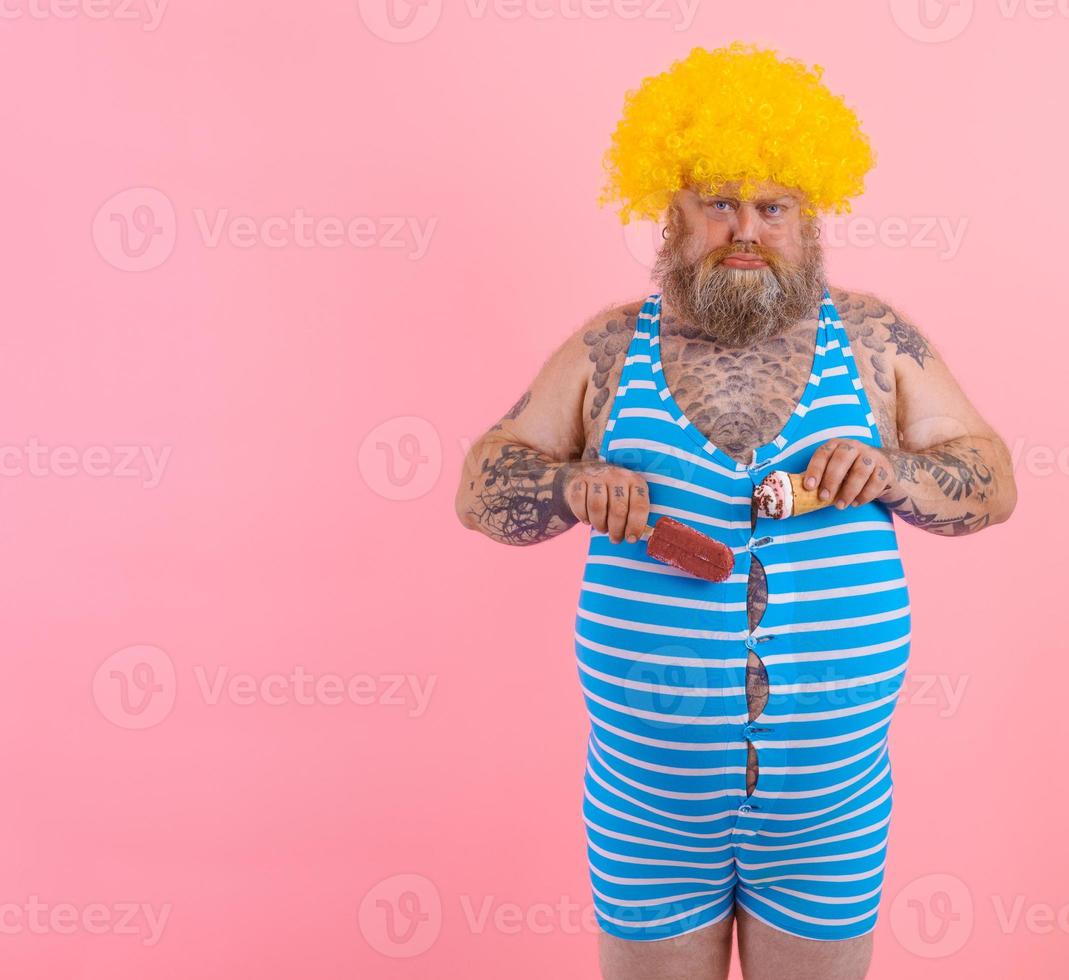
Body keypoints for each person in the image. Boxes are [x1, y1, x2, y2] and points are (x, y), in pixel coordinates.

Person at [453, 42, 1016, 980]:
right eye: (717, 202)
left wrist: (890, 473)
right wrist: (566, 485)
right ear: (669, 215)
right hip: (646, 795)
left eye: (772, 205)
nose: (745, 227)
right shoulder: (608, 347)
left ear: (810, 215)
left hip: (828, 797)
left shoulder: (875, 340)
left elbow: (991, 479)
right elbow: (479, 484)